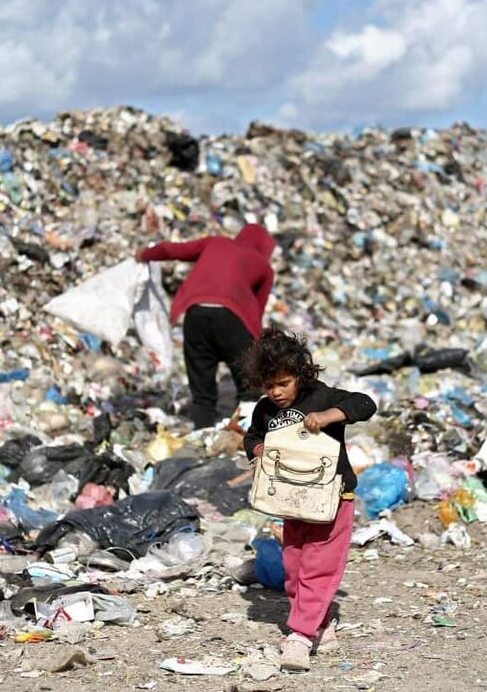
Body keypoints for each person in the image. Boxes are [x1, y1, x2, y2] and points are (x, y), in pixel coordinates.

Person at [241, 328, 377, 672]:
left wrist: (330, 416)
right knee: (295, 567)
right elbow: (252, 437)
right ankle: (321, 626)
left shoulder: (321, 396)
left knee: (319, 565)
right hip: (292, 500)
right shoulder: (265, 409)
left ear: (300, 375)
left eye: (283, 383)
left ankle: (300, 636)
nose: (276, 392)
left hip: (332, 497)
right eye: (269, 385)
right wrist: (257, 449)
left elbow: (365, 404)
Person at [138, 224, 275, 428]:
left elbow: (174, 250)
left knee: (202, 388)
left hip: (196, 314)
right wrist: (256, 351)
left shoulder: (215, 242)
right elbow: (257, 311)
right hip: (232, 319)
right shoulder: (263, 266)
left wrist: (145, 254)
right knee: (249, 386)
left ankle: (202, 433)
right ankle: (247, 432)